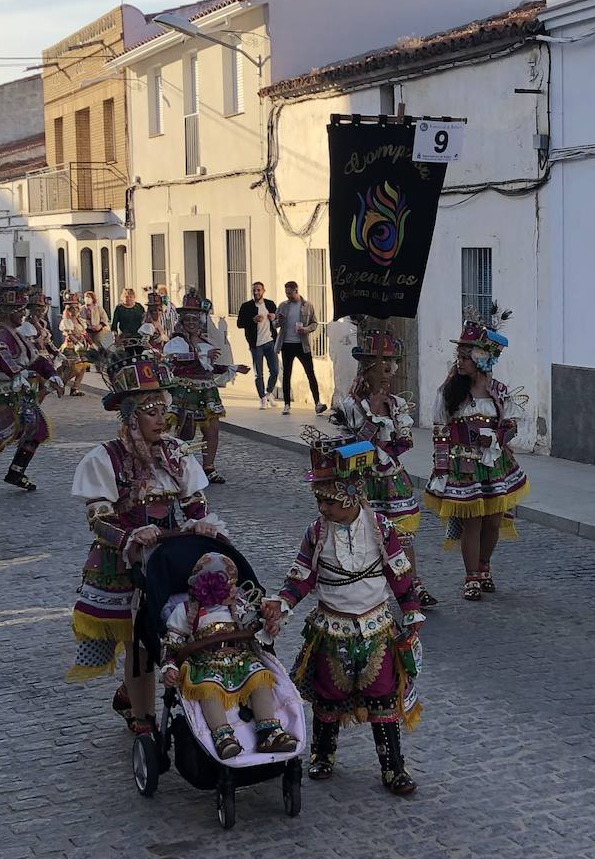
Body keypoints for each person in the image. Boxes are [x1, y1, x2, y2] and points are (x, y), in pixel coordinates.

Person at [67, 341, 226, 737]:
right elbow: (97, 517)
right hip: (126, 562)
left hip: (172, 556)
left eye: (162, 409)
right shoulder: (107, 458)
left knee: (186, 626)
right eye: (150, 411)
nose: (160, 419)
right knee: (139, 640)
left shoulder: (176, 453)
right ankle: (143, 717)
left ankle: (155, 696)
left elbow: (194, 502)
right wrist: (132, 535)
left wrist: (203, 525)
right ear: (130, 415)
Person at [261, 429, 424, 795]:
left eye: (330, 502)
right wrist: (282, 603)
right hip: (330, 627)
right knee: (328, 693)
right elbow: (301, 576)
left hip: (377, 626)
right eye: (319, 501)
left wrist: (411, 610)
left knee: (384, 696)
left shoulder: (381, 529)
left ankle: (393, 767)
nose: (323, 509)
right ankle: (322, 753)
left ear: (353, 495)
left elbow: (399, 572)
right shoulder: (316, 533)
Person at [423, 308, 531, 602]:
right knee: (472, 520)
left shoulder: (499, 391)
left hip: (494, 462)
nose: (459, 361)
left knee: (493, 521)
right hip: (463, 464)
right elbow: (440, 427)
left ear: (481, 360)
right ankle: (470, 576)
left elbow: (510, 426)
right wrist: (442, 467)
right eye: (459, 356)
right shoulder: (449, 392)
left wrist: (497, 437)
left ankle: (485, 567)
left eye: (465, 357)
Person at [159, 553, 298, 758]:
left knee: (260, 676)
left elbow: (253, 626)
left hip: (238, 657)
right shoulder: (186, 612)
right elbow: (172, 642)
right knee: (208, 688)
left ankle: (268, 730)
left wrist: (267, 628)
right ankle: (222, 734)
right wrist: (170, 665)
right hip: (204, 662)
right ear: (211, 587)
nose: (235, 590)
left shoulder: (237, 606)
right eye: (230, 586)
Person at [334, 328, 434, 608]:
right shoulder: (351, 406)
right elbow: (350, 444)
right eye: (382, 364)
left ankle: (413, 584)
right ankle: (364, 587)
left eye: (391, 363)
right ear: (368, 369)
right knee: (364, 534)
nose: (388, 370)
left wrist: (389, 441)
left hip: (392, 478)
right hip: (364, 481)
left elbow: (405, 441)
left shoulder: (398, 405)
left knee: (403, 534)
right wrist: (372, 416)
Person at [0, 269, 63, 498]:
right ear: (8, 312)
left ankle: (16, 472)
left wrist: (52, 374)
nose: (22, 314)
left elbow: (35, 359)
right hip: (1, 393)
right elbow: (2, 357)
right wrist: (19, 374)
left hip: (17, 393)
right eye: (19, 310)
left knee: (37, 430)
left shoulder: (17, 333)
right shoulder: (1, 335)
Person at [162, 290, 249, 483]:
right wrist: (199, 356)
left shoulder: (204, 341)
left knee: (212, 431)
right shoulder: (178, 341)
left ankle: (209, 467)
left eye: (195, 319)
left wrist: (232, 368)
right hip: (187, 391)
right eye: (188, 320)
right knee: (186, 432)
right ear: (182, 321)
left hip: (208, 391)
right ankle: (182, 467)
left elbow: (209, 367)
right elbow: (174, 361)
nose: (192, 323)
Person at [274, 281, 325, 416]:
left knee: (310, 373)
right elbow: (274, 325)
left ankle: (317, 403)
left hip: (302, 344)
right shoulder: (283, 306)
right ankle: (286, 404)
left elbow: (315, 323)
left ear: (296, 290)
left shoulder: (307, 306)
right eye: (286, 293)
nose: (288, 296)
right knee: (286, 374)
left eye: (290, 293)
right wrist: (278, 320)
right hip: (286, 344)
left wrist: (306, 329)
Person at [236, 282, 279, 408]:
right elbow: (240, 323)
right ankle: (262, 398)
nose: (256, 293)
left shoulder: (270, 304)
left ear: (263, 291)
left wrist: (274, 317)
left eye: (258, 290)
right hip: (256, 345)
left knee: (275, 370)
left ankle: (269, 392)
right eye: (254, 290)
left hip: (270, 342)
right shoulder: (246, 306)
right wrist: (252, 320)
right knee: (258, 373)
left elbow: (279, 321)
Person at [57, 294, 92, 397]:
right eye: (72, 308)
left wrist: (89, 343)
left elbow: (84, 333)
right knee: (74, 368)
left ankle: (75, 388)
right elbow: (69, 334)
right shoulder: (66, 321)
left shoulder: (80, 320)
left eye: (76, 308)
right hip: (70, 347)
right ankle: (61, 384)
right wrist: (77, 342)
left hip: (82, 346)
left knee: (83, 367)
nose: (75, 310)